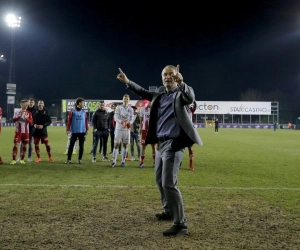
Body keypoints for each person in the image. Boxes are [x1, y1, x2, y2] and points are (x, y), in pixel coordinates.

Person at [117, 65, 203, 237]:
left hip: (174, 144)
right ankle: (168, 211)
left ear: (176, 75)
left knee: (169, 184)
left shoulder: (181, 93)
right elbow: (142, 91)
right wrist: (127, 82)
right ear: (161, 77)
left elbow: (191, 97)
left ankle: (181, 224)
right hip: (161, 145)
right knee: (159, 180)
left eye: (171, 74)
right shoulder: (159, 94)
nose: (168, 77)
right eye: (165, 74)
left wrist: (182, 82)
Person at [111, 94, 134, 168]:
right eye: (124, 98)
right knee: (116, 144)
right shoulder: (118, 107)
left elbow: (131, 119)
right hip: (119, 128)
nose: (125, 100)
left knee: (125, 145)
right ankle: (114, 161)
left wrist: (129, 123)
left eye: (127, 99)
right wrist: (122, 122)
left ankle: (123, 161)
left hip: (126, 129)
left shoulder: (131, 109)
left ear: (129, 100)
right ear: (122, 99)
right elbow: (116, 117)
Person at [65, 97, 89, 164]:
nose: (83, 104)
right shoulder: (72, 111)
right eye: (83, 103)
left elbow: (86, 121)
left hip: (82, 131)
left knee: (81, 146)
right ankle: (69, 159)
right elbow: (69, 121)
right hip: (74, 131)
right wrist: (68, 129)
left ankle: (79, 159)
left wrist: (87, 129)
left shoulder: (83, 112)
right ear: (79, 103)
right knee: (71, 146)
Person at [10, 99, 33, 165]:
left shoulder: (29, 113)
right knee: (16, 144)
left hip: (26, 132)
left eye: (27, 104)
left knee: (24, 145)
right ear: (21, 104)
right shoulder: (17, 112)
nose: (26, 105)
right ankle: (14, 159)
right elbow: (14, 120)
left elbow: (31, 122)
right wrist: (19, 116)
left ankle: (22, 159)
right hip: (18, 131)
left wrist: (26, 118)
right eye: (25, 104)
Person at [138, 100, 156, 168]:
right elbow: (141, 119)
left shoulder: (155, 109)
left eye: (152, 102)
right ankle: (142, 162)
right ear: (147, 102)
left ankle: (155, 162)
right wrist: (140, 128)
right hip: (145, 130)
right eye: (149, 102)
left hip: (153, 131)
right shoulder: (143, 109)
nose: (150, 103)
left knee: (153, 147)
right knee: (143, 146)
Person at [187, 100, 197, 171]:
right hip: (181, 130)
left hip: (189, 131)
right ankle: (179, 163)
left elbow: (195, 106)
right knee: (179, 149)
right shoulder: (180, 110)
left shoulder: (191, 110)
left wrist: (194, 100)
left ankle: (191, 165)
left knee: (190, 148)